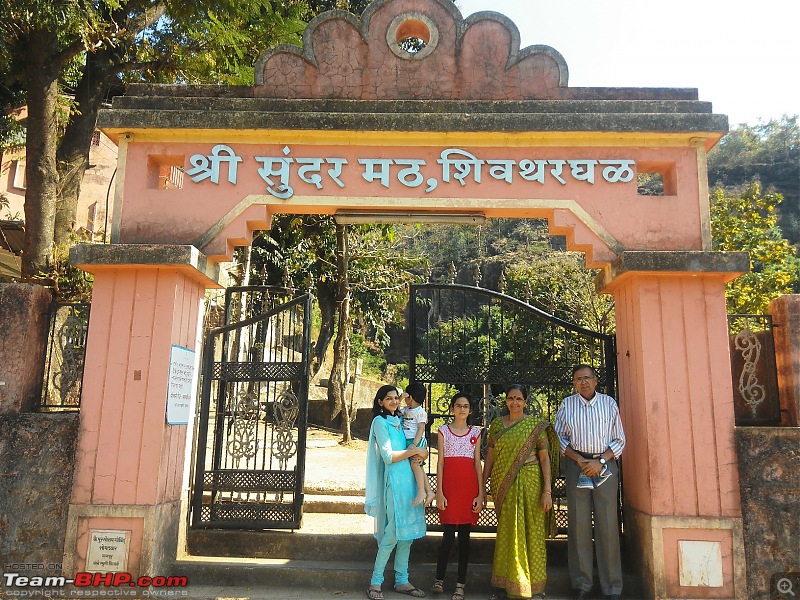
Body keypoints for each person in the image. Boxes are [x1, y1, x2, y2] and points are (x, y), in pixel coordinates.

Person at [554, 365, 626, 600]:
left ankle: (612, 587)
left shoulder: (609, 404)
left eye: (587, 378)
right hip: (577, 467)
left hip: (605, 467)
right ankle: (582, 584)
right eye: (578, 379)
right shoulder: (567, 405)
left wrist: (600, 461)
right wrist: (579, 459)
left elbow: (619, 440)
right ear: (574, 383)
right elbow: (559, 438)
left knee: (607, 526)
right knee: (579, 525)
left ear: (595, 381)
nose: (583, 382)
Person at [482, 384, 560, 600]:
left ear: (526, 402)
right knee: (508, 533)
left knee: (532, 533)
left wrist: (547, 490)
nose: (514, 402)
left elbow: (545, 458)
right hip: (503, 485)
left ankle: (535, 588)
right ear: (505, 401)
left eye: (518, 398)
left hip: (532, 482)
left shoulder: (535, 426)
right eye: (510, 398)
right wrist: (482, 486)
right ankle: (505, 586)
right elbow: (490, 457)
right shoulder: (497, 425)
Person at [365, 384, 429, 600]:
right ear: (380, 402)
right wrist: (414, 451)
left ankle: (402, 580)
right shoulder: (380, 422)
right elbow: (388, 456)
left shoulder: (401, 420)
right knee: (392, 533)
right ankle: (375, 582)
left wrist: (421, 452)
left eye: (396, 397)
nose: (394, 401)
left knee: (407, 536)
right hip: (394, 482)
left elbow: (417, 444)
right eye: (388, 398)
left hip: (410, 481)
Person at [431, 392, 484, 600]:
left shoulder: (476, 433)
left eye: (465, 406)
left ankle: (460, 585)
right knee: (447, 537)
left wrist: (481, 494)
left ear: (470, 410)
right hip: (450, 490)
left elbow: (477, 464)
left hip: (468, 489)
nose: (462, 409)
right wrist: (439, 492)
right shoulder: (443, 431)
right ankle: (439, 579)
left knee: (464, 539)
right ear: (452, 408)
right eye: (458, 405)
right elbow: (441, 462)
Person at [402, 382, 436, 506]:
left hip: (416, 441)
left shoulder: (420, 412)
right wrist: (401, 398)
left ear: (410, 397)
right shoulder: (406, 409)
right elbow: (397, 413)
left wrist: (414, 445)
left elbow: (421, 430)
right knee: (419, 467)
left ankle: (422, 491)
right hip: (410, 441)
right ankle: (429, 491)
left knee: (415, 465)